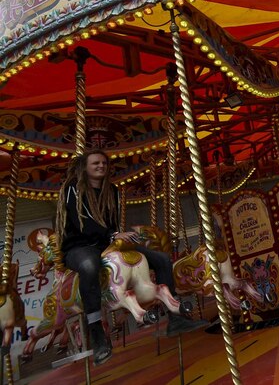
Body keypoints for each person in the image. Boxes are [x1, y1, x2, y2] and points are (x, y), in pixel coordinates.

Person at [55, 150, 209, 365]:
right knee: (89, 266)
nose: (101, 166)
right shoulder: (73, 189)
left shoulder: (113, 191)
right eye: (95, 163)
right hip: (78, 246)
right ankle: (97, 331)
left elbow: (112, 223)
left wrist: (118, 236)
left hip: (106, 243)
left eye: (104, 162)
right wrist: (112, 235)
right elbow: (83, 221)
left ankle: (175, 317)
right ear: (84, 167)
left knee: (161, 259)